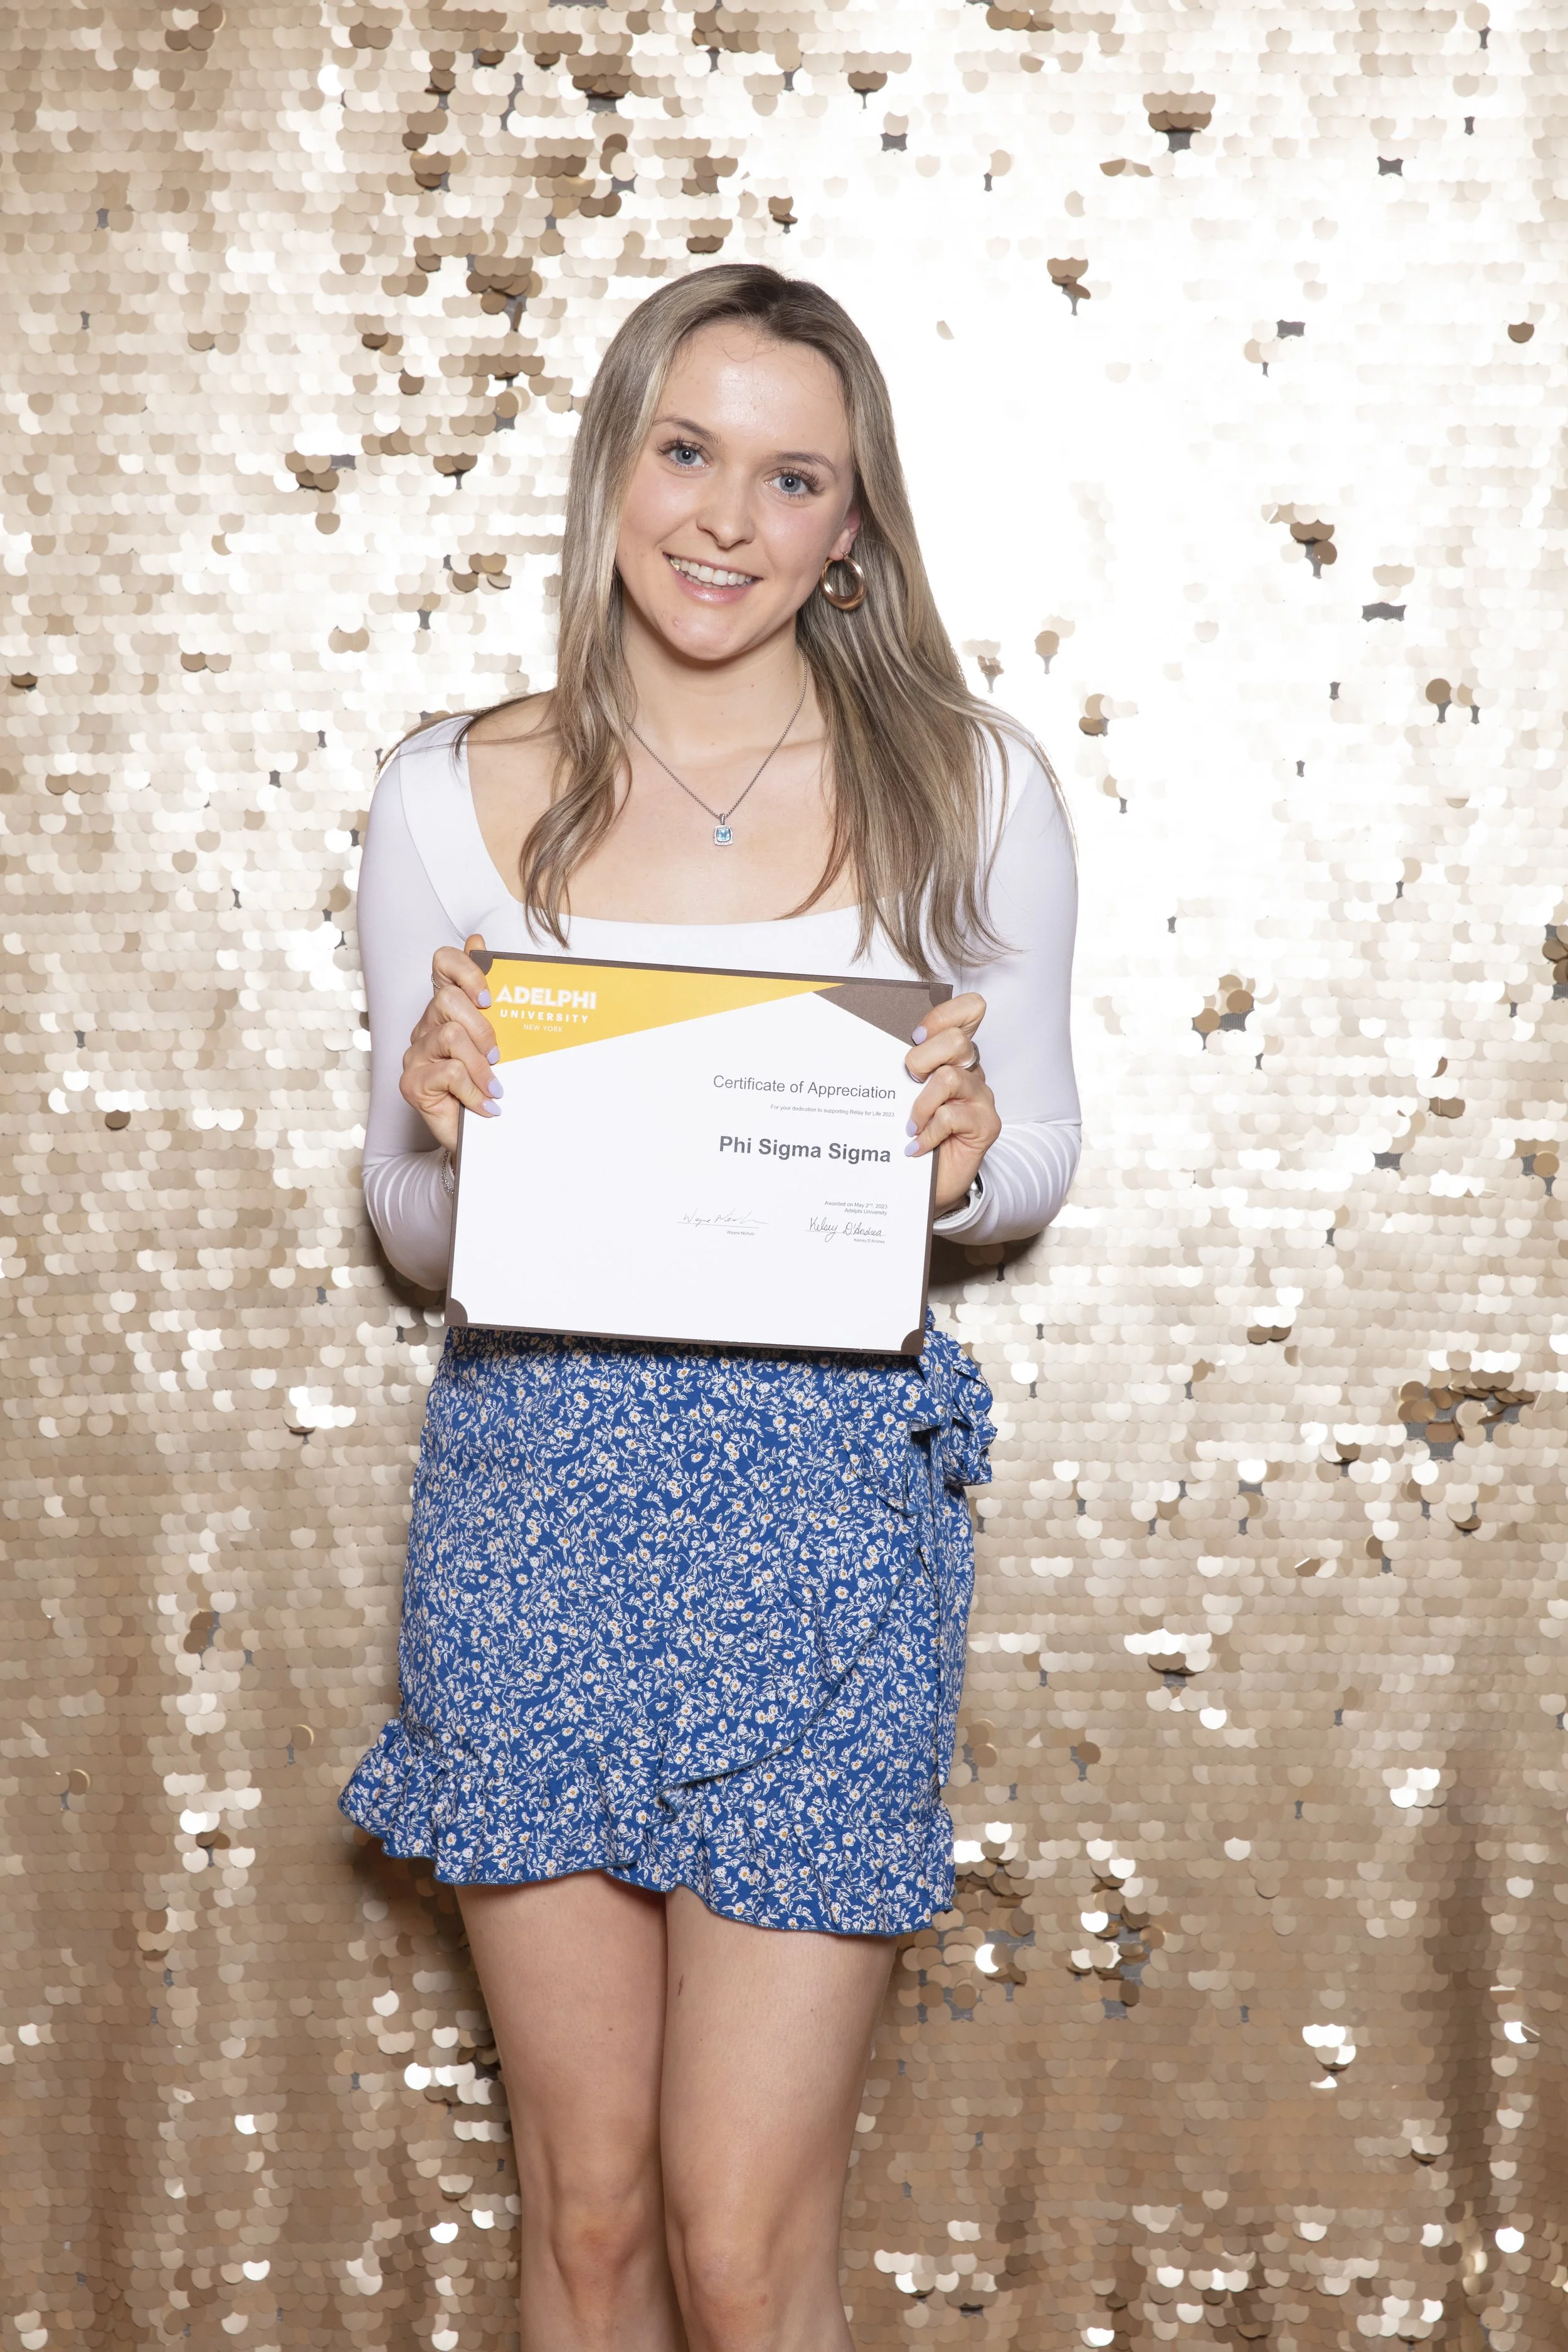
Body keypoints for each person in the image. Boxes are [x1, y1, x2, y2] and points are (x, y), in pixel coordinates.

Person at [341, 263, 1079, 2352]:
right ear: (614, 465)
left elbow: (1032, 1159)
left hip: (824, 1524)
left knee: (744, 2246)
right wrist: (436, 1128)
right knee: (588, 2222)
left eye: (791, 478)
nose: (724, 519)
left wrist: (961, 1153)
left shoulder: (973, 786)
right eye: (686, 451)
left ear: (852, 527)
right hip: (536, 1510)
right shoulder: (447, 791)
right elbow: (410, 1225)